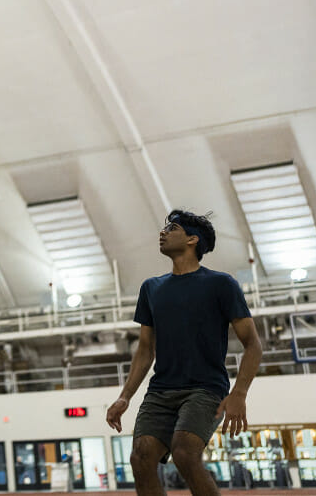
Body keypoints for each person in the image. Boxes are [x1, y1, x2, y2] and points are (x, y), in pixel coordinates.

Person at [106, 210, 262, 496]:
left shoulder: (221, 284)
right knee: (140, 458)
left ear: (192, 239)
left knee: (184, 453)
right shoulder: (151, 288)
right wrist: (124, 396)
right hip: (160, 391)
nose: (162, 233)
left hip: (205, 389)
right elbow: (144, 350)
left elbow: (253, 344)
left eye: (173, 228)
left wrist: (238, 393)